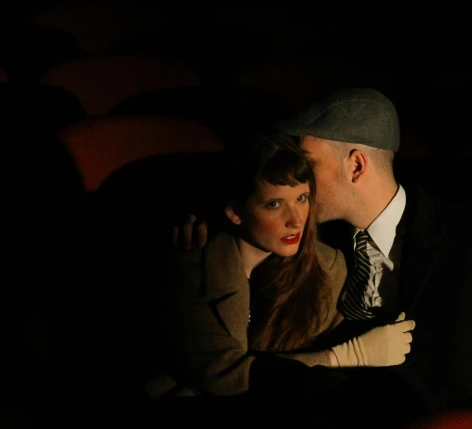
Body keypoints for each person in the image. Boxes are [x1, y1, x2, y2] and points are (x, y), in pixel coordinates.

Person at [176, 88, 472, 416]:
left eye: (308, 164)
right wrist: (222, 227)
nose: (297, 179)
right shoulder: (307, 239)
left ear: (357, 165)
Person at [148, 132, 416, 406]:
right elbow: (225, 375)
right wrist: (344, 356)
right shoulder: (193, 266)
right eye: (274, 204)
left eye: (302, 198)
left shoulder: (328, 267)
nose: (295, 219)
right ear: (235, 213)